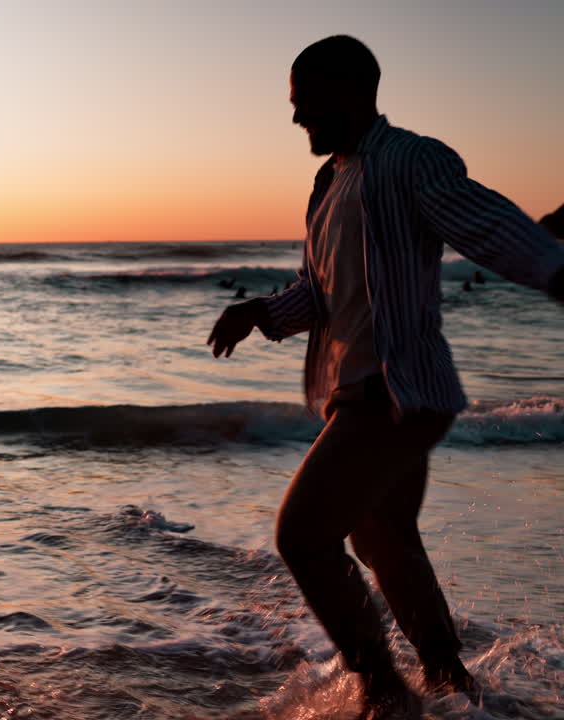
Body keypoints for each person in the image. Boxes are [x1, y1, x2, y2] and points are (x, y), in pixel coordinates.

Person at [207, 35, 564, 720]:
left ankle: (383, 693)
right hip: (356, 392)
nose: (296, 118)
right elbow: (321, 292)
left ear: (346, 92)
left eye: (304, 102)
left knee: (303, 537)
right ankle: (450, 683)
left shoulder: (409, 159)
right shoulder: (328, 185)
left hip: (395, 393)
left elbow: (485, 223)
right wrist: (261, 311)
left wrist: (555, 268)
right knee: (381, 538)